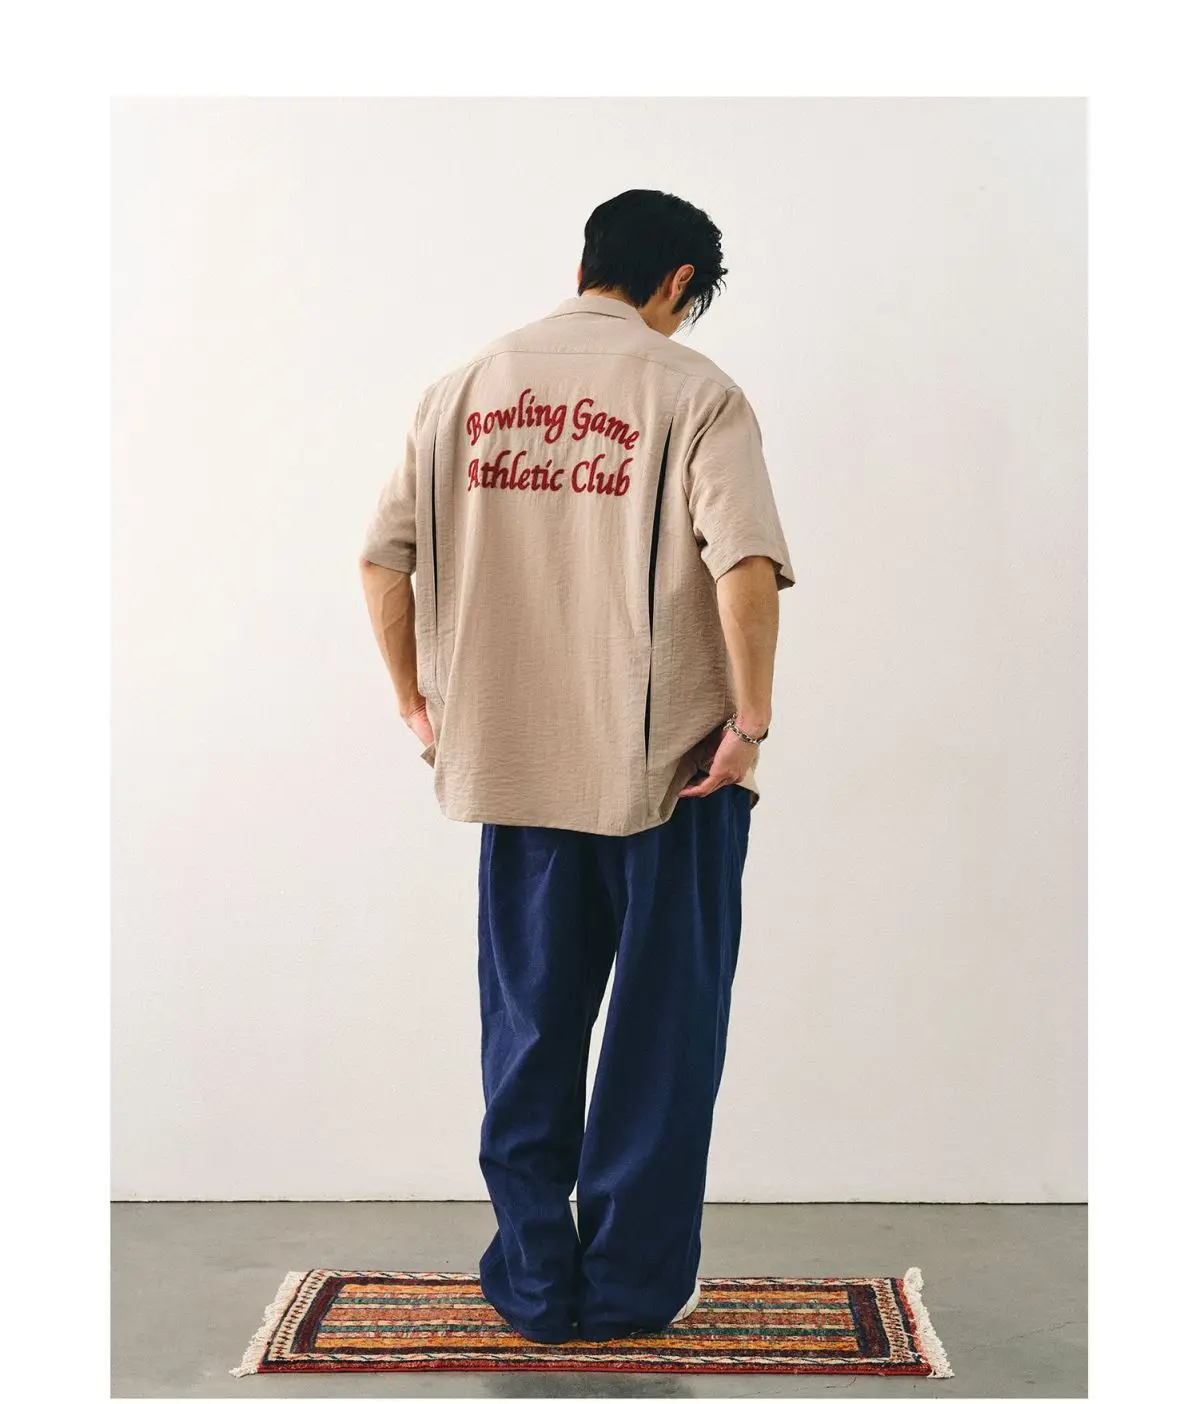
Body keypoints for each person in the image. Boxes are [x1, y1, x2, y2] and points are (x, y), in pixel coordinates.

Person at [359, 188, 795, 1344]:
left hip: (517, 770)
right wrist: (748, 724)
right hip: (673, 780)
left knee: (530, 1031)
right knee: (661, 1040)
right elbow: (743, 562)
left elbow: (382, 559)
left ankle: (535, 1283)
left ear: (584, 264)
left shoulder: (461, 389)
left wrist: (416, 704)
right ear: (676, 284)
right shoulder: (695, 393)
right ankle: (631, 1289)